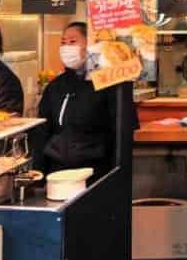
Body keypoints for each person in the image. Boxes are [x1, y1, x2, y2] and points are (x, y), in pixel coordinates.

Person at [34, 22, 129, 181]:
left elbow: (119, 135)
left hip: (96, 175)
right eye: (63, 43)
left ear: (91, 45)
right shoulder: (56, 86)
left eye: (72, 42)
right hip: (57, 175)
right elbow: (42, 132)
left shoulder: (108, 83)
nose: (66, 48)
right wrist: (38, 173)